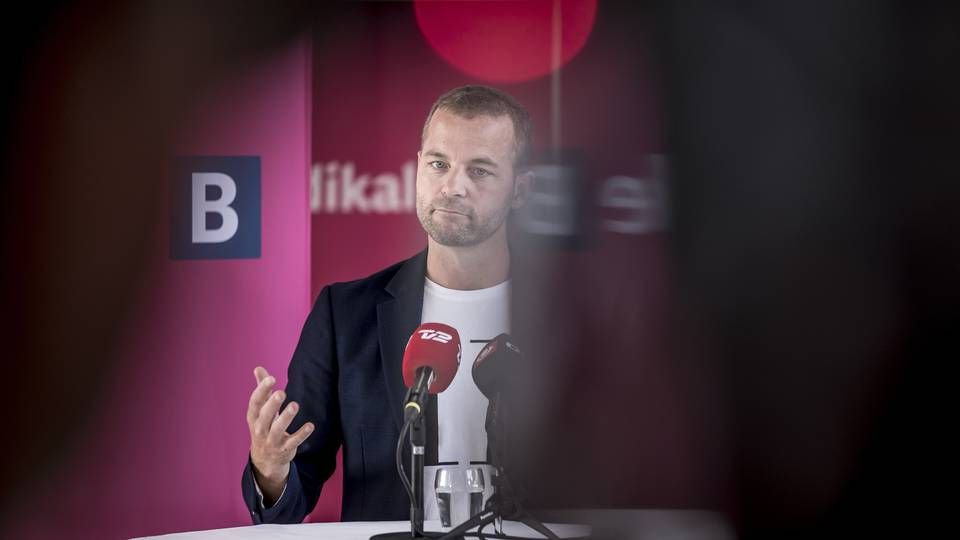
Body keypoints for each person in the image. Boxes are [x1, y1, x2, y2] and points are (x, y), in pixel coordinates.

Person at [241, 85, 534, 523]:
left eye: (480, 171)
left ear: (519, 190)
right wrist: (269, 468)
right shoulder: (345, 314)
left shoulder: (565, 315)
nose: (453, 187)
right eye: (439, 164)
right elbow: (290, 493)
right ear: (418, 168)